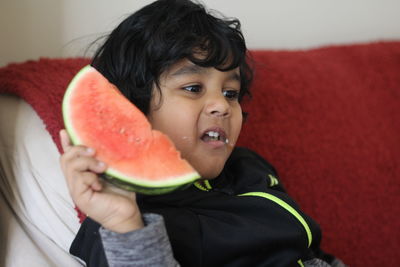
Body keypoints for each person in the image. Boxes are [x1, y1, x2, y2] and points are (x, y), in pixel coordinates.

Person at [60, 0, 346, 266]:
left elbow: (310, 252)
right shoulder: (122, 221)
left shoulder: (250, 167)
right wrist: (126, 226)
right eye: (193, 88)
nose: (222, 105)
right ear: (131, 108)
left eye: (231, 93)